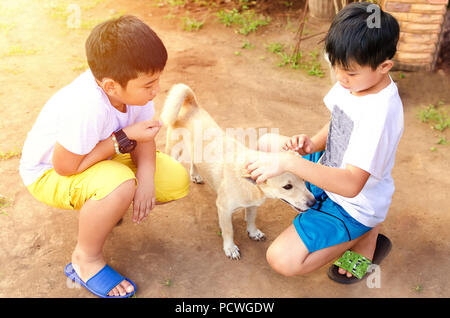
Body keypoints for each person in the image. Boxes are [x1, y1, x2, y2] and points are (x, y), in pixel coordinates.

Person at [19, 15, 190, 297]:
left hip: (98, 155)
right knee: (120, 184)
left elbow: (143, 134)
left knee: (173, 180)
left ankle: (104, 207)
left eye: (157, 81)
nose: (156, 91)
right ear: (111, 86)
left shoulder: (133, 88)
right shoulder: (86, 107)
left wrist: (146, 177)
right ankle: (85, 260)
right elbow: (65, 167)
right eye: (149, 85)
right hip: (50, 172)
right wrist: (123, 138)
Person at [246, 2, 402, 283]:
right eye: (336, 66)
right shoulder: (355, 82)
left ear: (384, 66)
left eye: (349, 72)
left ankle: (366, 233)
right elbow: (338, 122)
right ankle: (346, 226)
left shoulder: (380, 116)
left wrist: (291, 162)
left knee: (282, 259)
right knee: (267, 142)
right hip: (327, 169)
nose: (340, 78)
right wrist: (312, 144)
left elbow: (353, 185)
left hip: (354, 202)